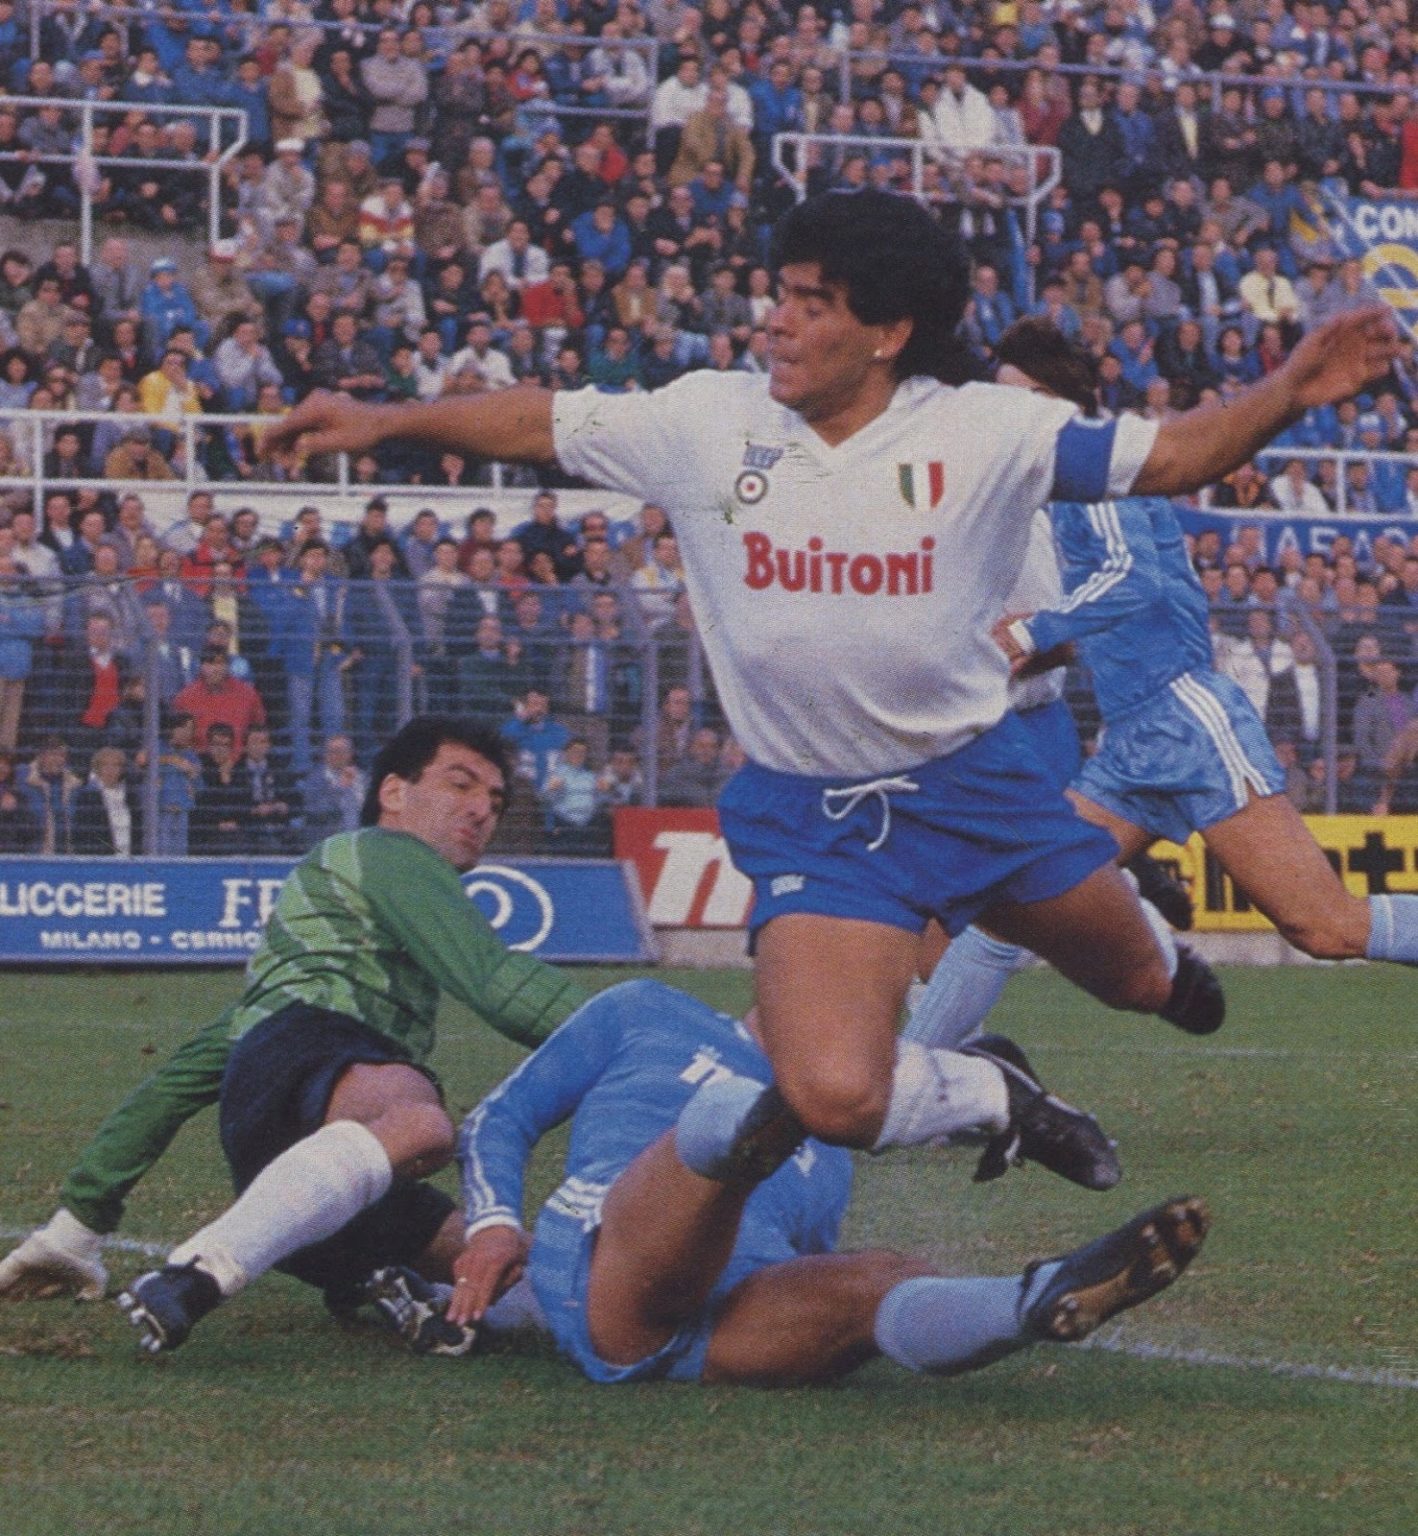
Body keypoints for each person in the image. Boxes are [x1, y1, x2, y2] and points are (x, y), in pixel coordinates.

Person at [264, 188, 1398, 1169]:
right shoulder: (708, 420)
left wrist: (1286, 391)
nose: (779, 319)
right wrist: (382, 419)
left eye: (812, 303)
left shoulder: (985, 429)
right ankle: (994, 1091)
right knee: (834, 1096)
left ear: (888, 331)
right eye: (781, 293)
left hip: (977, 787)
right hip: (815, 816)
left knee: (1139, 985)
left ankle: (1156, 954)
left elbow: (1176, 454)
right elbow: (537, 421)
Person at [0, 718, 589, 1343]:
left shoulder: (279, 996)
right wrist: (635, 1035)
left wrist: (73, 1231)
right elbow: (495, 981)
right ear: (394, 793)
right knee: (421, 1126)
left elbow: (169, 1088)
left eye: (495, 800)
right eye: (461, 784)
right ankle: (203, 1270)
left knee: (556, 1283)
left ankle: (384, 1284)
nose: (481, 810)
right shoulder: (388, 853)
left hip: (296, 1205)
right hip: (319, 1077)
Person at [447, 979, 1207, 1386]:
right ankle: (752, 1123)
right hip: (610, 1263)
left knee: (883, 1277)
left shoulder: (836, 1154)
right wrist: (492, 1224)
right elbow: (499, 1117)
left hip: (712, 1340)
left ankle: (1033, 1300)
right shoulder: (644, 1011)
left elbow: (793, 1269)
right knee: (711, 1154)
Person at [982, 321, 1418, 972]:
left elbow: (1133, 578)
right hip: (1134, 739)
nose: (1002, 416)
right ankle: (918, 1045)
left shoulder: (1093, 475)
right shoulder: (1062, 487)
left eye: (1017, 398)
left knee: (1326, 926)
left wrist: (1032, 631)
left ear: (1055, 402)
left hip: (1185, 720)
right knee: (1016, 905)